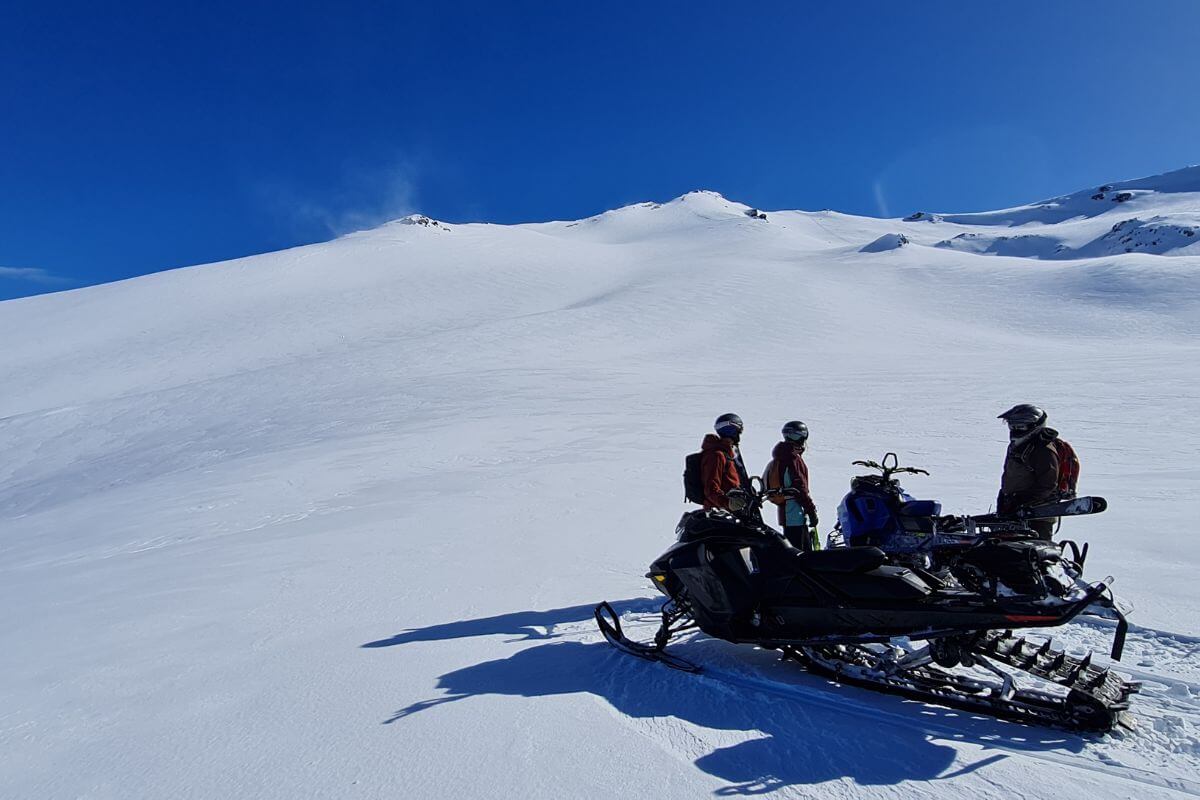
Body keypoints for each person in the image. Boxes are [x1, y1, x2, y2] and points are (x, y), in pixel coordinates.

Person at [997, 404, 1061, 540]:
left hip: (1037, 515)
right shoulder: (1018, 446)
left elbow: (1048, 485)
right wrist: (1004, 497)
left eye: (1019, 427)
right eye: (1011, 426)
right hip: (1015, 512)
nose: (1014, 430)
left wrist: (1021, 501)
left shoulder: (1043, 450)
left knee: (1035, 554)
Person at [764, 421, 820, 551]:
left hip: (786, 512)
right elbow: (800, 488)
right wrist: (811, 511)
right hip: (795, 514)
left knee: (791, 550)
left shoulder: (780, 456)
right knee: (801, 554)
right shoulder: (793, 459)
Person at [701, 413, 750, 513]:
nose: (740, 434)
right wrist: (727, 502)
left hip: (732, 511)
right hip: (721, 512)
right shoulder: (717, 455)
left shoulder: (728, 454)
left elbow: (730, 482)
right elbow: (711, 488)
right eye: (739, 430)